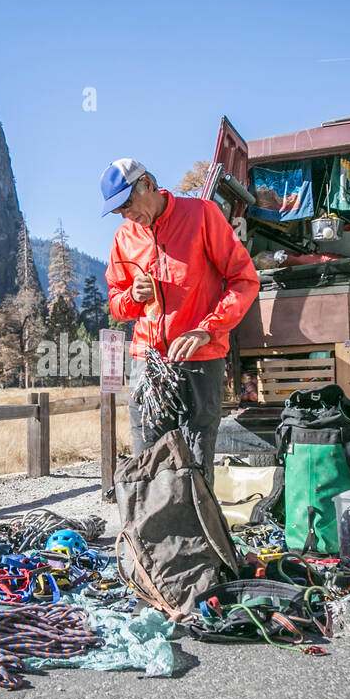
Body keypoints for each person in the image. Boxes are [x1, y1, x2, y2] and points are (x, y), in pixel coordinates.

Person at [100, 157, 259, 482]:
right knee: (148, 462)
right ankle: (148, 533)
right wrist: (133, 297)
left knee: (196, 462)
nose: (127, 215)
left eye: (128, 204)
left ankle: (197, 532)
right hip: (148, 363)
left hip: (200, 359)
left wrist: (208, 329)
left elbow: (245, 280)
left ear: (147, 184)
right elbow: (116, 306)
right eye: (119, 211)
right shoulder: (124, 239)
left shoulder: (202, 215)